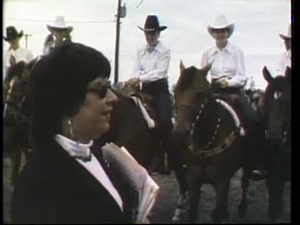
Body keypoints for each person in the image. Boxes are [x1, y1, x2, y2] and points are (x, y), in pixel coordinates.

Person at [10, 43, 136, 223]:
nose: (113, 97)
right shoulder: (38, 185)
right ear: (67, 100)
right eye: (101, 89)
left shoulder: (93, 152)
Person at [200, 14, 265, 180]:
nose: (220, 34)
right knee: (195, 118)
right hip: (214, 93)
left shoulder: (237, 52)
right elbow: (203, 76)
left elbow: (242, 76)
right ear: (213, 34)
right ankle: (192, 159)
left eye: (223, 31)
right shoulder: (207, 53)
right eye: (217, 31)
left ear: (228, 33)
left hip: (233, 93)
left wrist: (227, 83)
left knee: (252, 119)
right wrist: (211, 85)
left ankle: (255, 163)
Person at [129, 15, 173, 174]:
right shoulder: (140, 50)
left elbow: (160, 73)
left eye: (153, 34)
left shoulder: (165, 50)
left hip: (160, 90)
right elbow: (136, 67)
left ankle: (166, 157)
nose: (150, 37)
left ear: (158, 34)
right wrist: (134, 78)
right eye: (147, 34)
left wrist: (139, 77)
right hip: (144, 89)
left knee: (165, 122)